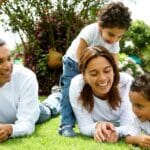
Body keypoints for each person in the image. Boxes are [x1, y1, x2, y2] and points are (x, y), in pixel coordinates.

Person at [59, 1, 132, 137]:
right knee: (68, 92)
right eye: (111, 34)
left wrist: (113, 76)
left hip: (94, 67)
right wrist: (86, 74)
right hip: (74, 62)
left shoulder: (114, 42)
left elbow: (114, 61)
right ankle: (66, 125)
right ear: (100, 26)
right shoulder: (91, 30)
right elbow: (80, 52)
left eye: (119, 36)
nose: (114, 40)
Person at [69, 46, 135, 142]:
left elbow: (129, 125)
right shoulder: (77, 84)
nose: (102, 78)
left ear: (113, 70)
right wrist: (97, 127)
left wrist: (115, 131)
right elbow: (84, 126)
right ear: (84, 76)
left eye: (107, 71)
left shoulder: (127, 83)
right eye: (94, 73)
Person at [0, 39, 60, 142]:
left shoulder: (25, 77)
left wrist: (9, 130)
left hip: (31, 110)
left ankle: (58, 94)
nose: (7, 66)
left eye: (9, 59)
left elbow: (27, 123)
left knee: (48, 109)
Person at [124, 74, 150, 148]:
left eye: (139, 106)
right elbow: (128, 138)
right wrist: (137, 139)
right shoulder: (138, 121)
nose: (134, 110)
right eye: (132, 104)